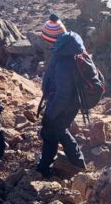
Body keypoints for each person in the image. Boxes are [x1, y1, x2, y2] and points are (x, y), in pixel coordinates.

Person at [35, 31, 86, 177]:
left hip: (63, 107)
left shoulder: (64, 63)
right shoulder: (67, 57)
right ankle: (78, 162)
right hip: (67, 106)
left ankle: (44, 169)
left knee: (50, 133)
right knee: (60, 130)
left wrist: (50, 115)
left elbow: (63, 95)